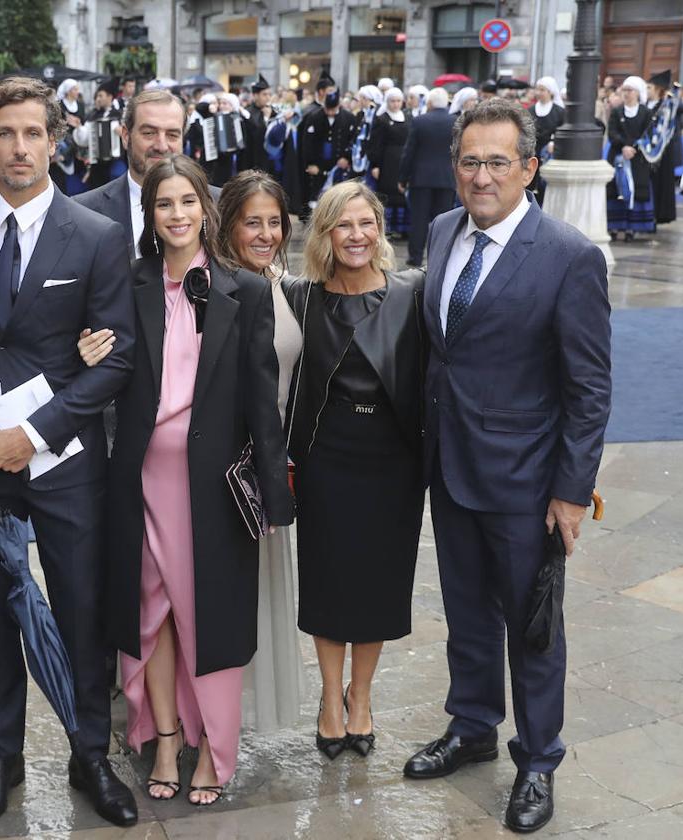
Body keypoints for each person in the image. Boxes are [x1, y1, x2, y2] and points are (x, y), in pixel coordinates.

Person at [0, 76, 138, 829]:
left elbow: (117, 358)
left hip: (63, 454)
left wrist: (36, 429)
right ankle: (0, 755)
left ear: (55, 140)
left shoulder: (97, 236)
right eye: (5, 134)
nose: (19, 147)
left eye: (33, 134)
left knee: (81, 604)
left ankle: (90, 755)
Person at [405, 98, 611, 835]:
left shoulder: (569, 256)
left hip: (527, 481)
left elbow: (588, 389)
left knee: (532, 627)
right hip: (449, 466)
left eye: (498, 161)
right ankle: (472, 727)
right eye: (469, 161)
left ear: (529, 168)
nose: (481, 175)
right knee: (465, 614)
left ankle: (539, 758)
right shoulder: (439, 231)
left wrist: (570, 491)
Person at [103, 154, 292, 806]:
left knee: (205, 617)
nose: (177, 214)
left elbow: (261, 401)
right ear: (150, 215)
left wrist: (274, 494)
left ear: (205, 210)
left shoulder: (244, 290)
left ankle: (213, 748)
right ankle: (163, 736)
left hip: (209, 489)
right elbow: (108, 377)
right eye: (164, 204)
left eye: (187, 202)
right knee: (150, 616)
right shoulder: (127, 285)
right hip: (138, 481)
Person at [280, 180, 425, 763]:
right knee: (329, 580)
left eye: (366, 224)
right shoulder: (301, 298)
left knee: (379, 583)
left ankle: (361, 697)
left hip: (392, 460)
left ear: (380, 230)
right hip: (325, 457)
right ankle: (330, 701)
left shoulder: (410, 294)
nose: (356, 236)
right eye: (344, 225)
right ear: (326, 234)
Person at [213, 171, 304, 733]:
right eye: (253, 222)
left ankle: (249, 716)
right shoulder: (218, 287)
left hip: (272, 466)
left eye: (274, 222)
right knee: (229, 597)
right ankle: (219, 718)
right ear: (228, 226)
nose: (266, 233)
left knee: (266, 595)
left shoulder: (281, 279)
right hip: (232, 471)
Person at [76, 88, 221, 261]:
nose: (161, 146)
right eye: (149, 133)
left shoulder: (220, 203)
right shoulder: (84, 212)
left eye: (172, 135)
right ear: (126, 136)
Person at [398, 87, 455, 267]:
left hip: (421, 178)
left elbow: (409, 152)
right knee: (444, 222)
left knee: (419, 220)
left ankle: (415, 257)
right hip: (447, 178)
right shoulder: (456, 122)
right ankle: (439, 257)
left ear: (429, 103)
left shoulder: (419, 121)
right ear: (446, 103)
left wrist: (402, 177)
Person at [606, 75, 655, 241]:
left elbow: (647, 134)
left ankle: (631, 228)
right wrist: (624, 146)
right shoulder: (616, 111)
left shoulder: (646, 113)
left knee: (635, 188)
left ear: (638, 92)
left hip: (637, 158)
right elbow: (612, 132)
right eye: (624, 90)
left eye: (630, 90)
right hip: (618, 155)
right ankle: (614, 226)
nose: (626, 93)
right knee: (616, 189)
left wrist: (633, 147)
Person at [298, 87, 356, 218]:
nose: (330, 112)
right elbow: (307, 143)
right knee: (317, 196)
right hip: (318, 164)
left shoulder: (349, 118)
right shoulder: (314, 117)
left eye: (333, 109)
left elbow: (353, 140)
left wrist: (347, 158)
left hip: (339, 164)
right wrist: (310, 163)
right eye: (327, 109)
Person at [368, 87, 411, 238]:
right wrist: (375, 164)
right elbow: (375, 143)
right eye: (393, 101)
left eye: (399, 101)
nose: (396, 104)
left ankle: (404, 228)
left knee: (402, 193)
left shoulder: (407, 117)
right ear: (387, 101)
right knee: (387, 193)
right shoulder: (382, 119)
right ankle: (388, 228)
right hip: (387, 161)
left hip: (403, 159)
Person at [646, 70, 682, 225]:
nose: (647, 90)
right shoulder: (646, 105)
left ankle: (659, 213)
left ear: (658, 89)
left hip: (662, 151)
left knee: (660, 182)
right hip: (647, 150)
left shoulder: (665, 106)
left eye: (649, 87)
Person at [76, 78, 125, 188]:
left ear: (110, 97)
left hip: (115, 162)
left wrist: (123, 132)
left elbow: (131, 135)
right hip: (97, 163)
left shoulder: (119, 115)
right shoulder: (93, 116)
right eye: (97, 96)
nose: (98, 99)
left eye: (101, 96)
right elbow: (84, 140)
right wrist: (79, 127)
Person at [531, 77, 565, 207]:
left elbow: (562, 131)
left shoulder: (559, 112)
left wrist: (554, 141)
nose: (538, 92)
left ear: (550, 92)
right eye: (537, 89)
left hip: (550, 153)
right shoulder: (531, 110)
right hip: (532, 151)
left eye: (542, 90)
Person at [53, 79, 88, 195]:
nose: (77, 91)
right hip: (64, 139)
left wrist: (78, 124)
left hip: (78, 138)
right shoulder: (60, 105)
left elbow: (83, 122)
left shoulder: (81, 105)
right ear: (68, 91)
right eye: (75, 89)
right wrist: (67, 122)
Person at [244, 75, 277, 174]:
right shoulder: (248, 113)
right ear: (255, 95)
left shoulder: (274, 111)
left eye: (269, 94)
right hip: (252, 160)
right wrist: (266, 118)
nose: (268, 98)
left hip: (271, 162)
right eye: (264, 94)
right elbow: (256, 135)